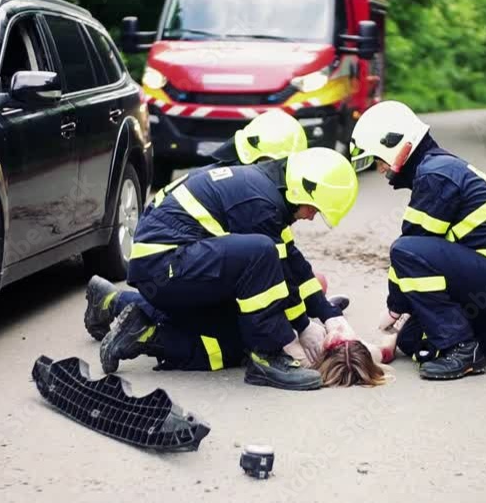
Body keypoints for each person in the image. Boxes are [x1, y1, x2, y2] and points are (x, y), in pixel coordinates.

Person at [90, 147, 360, 391]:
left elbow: (294, 266)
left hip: (172, 265)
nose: (312, 216)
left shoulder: (265, 192)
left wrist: (330, 315)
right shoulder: (260, 205)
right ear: (303, 189)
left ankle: (145, 333)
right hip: (164, 266)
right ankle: (267, 358)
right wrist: (299, 328)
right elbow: (276, 272)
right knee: (261, 254)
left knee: (235, 339)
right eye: (313, 209)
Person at [350, 101, 486, 380]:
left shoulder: (435, 175)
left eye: (378, 160)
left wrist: (395, 307)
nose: (380, 170)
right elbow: (434, 256)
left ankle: (462, 350)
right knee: (412, 340)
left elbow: (412, 251)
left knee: (404, 250)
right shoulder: (438, 167)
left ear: (394, 143)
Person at [83, 109, 312, 341]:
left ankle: (113, 301)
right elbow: (276, 266)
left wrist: (325, 311)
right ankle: (136, 323)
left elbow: (289, 256)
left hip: (170, 258)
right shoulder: (253, 197)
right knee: (230, 314)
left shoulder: (238, 182)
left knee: (243, 289)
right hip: (169, 261)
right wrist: (302, 324)